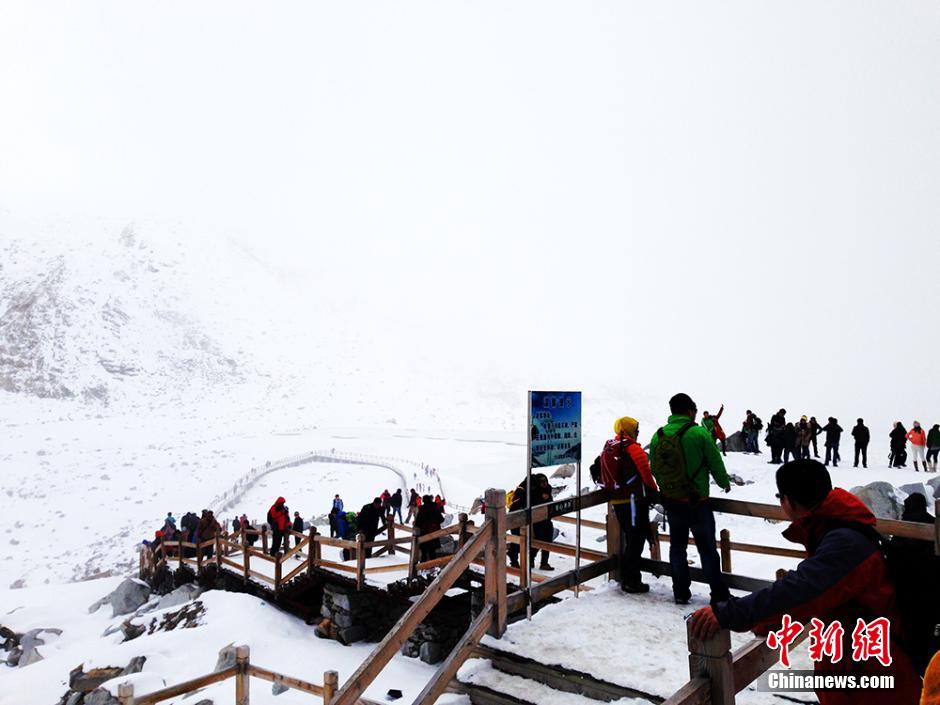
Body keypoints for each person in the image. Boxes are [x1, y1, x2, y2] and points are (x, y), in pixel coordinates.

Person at [687, 460, 922, 705]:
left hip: (874, 683)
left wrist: (727, 614)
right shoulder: (841, 531)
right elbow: (812, 595)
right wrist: (767, 621)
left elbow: (799, 592)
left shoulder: (844, 543)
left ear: (787, 501)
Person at [649, 393, 731, 606]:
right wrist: (724, 483)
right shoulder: (698, 433)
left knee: (677, 548)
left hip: (672, 501)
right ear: (689, 411)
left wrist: (667, 488)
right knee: (707, 550)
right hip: (698, 502)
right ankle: (719, 594)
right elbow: (715, 462)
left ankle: (680, 592)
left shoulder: (658, 436)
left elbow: (654, 468)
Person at [604, 416, 659, 593]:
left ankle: (629, 578)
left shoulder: (610, 446)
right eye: (636, 429)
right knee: (636, 540)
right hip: (633, 501)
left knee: (631, 537)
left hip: (617, 500)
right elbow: (646, 473)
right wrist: (654, 491)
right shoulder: (633, 448)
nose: (637, 432)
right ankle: (631, 580)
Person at [889, 493, 939, 674]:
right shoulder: (934, 525)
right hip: (932, 594)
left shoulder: (902, 528)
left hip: (908, 595)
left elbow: (893, 559)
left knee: (912, 639)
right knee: (930, 638)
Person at [507, 473, 555, 571]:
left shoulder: (545, 489)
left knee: (545, 539)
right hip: (517, 518)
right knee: (519, 540)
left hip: (539, 518)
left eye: (545, 481)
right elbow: (525, 504)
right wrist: (541, 498)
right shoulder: (525, 491)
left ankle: (542, 562)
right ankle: (515, 561)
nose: (544, 483)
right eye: (541, 482)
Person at [414, 493, 445, 563]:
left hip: (424, 532)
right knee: (432, 550)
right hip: (434, 532)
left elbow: (418, 522)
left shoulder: (422, 508)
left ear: (423, 501)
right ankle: (432, 565)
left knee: (424, 551)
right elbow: (441, 519)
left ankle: (423, 566)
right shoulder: (435, 507)